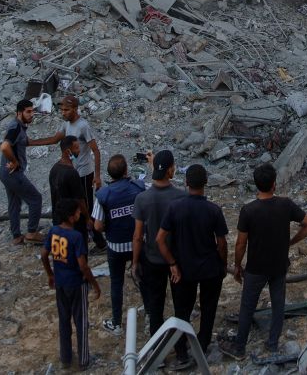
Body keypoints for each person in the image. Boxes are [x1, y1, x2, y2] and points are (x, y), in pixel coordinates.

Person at [221, 164, 307, 360]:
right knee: (278, 303)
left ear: (257, 185)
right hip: (279, 264)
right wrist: (291, 242)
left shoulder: (248, 210)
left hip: (256, 267)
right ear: (274, 184)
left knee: (247, 306)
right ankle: (272, 344)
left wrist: (237, 266)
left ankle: (239, 348)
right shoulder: (286, 204)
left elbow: (240, 244)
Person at [157, 164, 229, 368]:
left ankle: (181, 351)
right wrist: (223, 265)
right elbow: (222, 243)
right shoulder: (213, 210)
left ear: (186, 183)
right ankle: (202, 345)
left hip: (182, 269)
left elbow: (160, 239)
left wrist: (172, 263)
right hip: (209, 269)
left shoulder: (175, 208)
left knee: (182, 311)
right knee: (209, 308)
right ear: (205, 183)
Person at [132, 150, 186, 339]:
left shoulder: (142, 199)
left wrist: (134, 262)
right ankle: (181, 352)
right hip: (176, 260)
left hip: (152, 259)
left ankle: (157, 350)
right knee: (180, 307)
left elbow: (138, 236)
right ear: (170, 170)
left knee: (155, 307)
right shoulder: (181, 197)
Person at [41, 199, 101, 370]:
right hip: (76, 283)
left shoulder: (53, 231)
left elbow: (44, 254)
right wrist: (94, 284)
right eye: (77, 212)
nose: (79, 214)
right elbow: (83, 265)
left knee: (64, 321)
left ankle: (65, 357)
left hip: (60, 282)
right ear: (70, 216)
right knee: (81, 321)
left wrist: (50, 274)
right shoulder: (76, 237)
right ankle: (83, 360)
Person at [92, 154, 145, 334]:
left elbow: (97, 226)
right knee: (143, 277)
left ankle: (116, 323)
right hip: (138, 243)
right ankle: (149, 310)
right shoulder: (138, 188)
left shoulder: (103, 195)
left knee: (116, 283)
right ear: (126, 171)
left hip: (115, 245)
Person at [0, 98, 64, 245]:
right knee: (35, 199)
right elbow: (4, 147)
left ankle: (16, 235)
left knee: (14, 203)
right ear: (19, 112)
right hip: (13, 174)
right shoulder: (15, 127)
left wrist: (53, 140)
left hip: (5, 173)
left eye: (32, 111)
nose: (31, 115)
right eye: (28, 112)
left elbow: (27, 142)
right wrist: (15, 162)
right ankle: (32, 232)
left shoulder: (20, 127)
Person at [60, 95, 105, 250]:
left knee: (86, 207)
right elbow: (56, 138)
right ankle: (87, 238)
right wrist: (30, 142)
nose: (63, 112)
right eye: (62, 109)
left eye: (66, 110)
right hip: (73, 173)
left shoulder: (83, 126)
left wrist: (97, 177)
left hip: (85, 173)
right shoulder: (66, 125)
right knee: (77, 206)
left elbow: (96, 151)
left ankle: (99, 242)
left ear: (75, 109)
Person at [50, 136, 84, 226]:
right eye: (76, 148)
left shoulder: (54, 168)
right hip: (71, 220)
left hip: (58, 219)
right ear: (68, 151)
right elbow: (80, 200)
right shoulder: (72, 173)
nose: (79, 150)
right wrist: (87, 218)